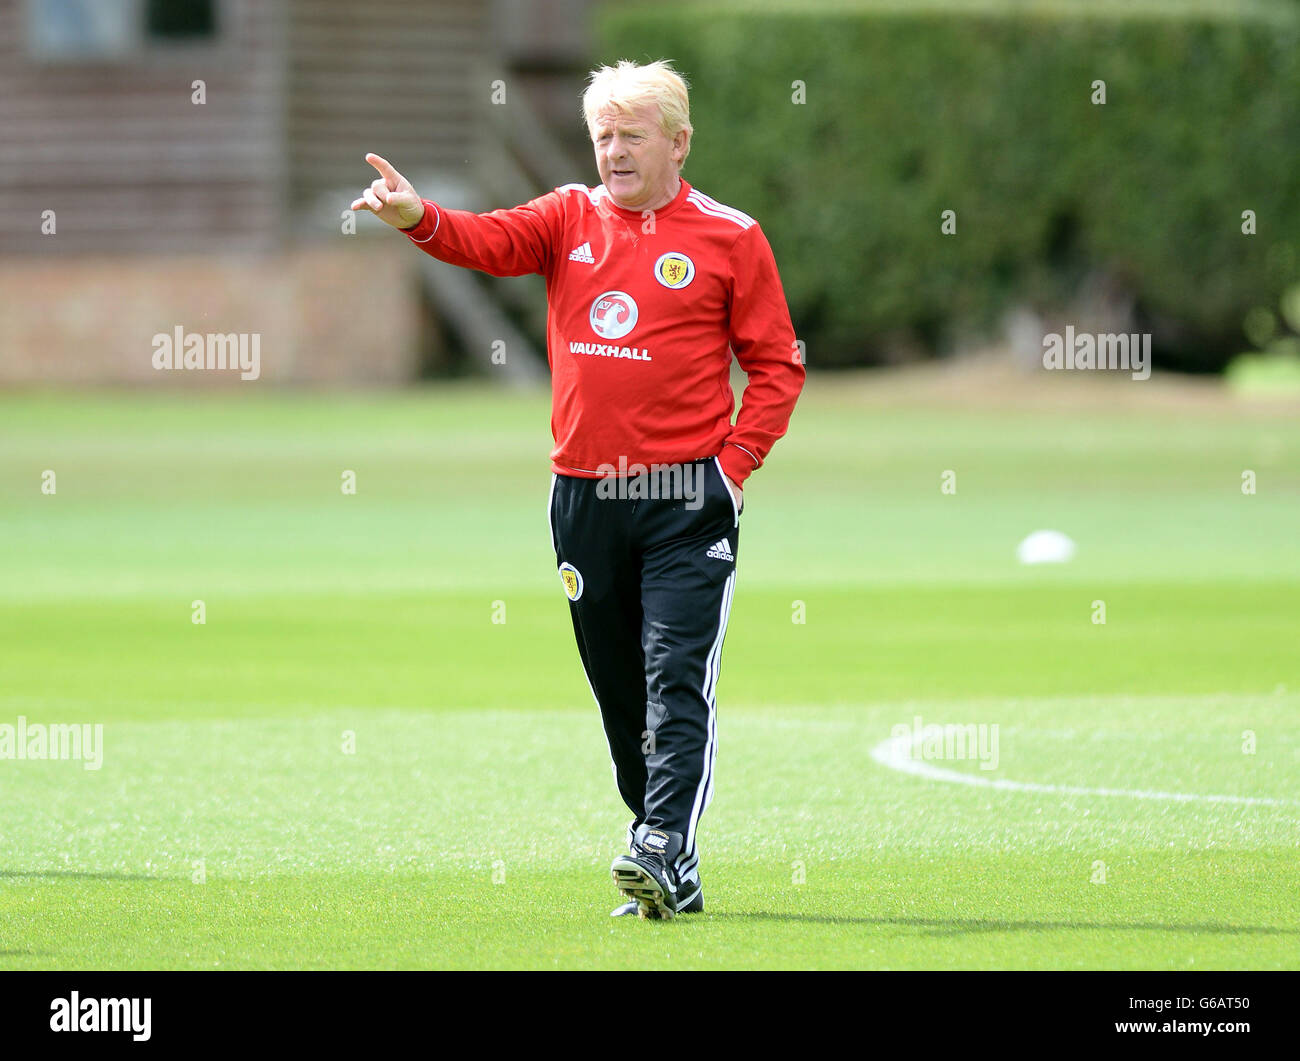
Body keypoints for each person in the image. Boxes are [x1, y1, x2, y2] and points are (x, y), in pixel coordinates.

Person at [351, 59, 803, 919]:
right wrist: (416, 216)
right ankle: (666, 851)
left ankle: (662, 843)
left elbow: (777, 364)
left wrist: (734, 465)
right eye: (603, 135)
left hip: (683, 499)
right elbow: (484, 239)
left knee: (675, 674)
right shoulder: (567, 216)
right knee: (618, 688)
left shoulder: (731, 237)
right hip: (583, 499)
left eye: (633, 135)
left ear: (679, 141)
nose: (615, 151)